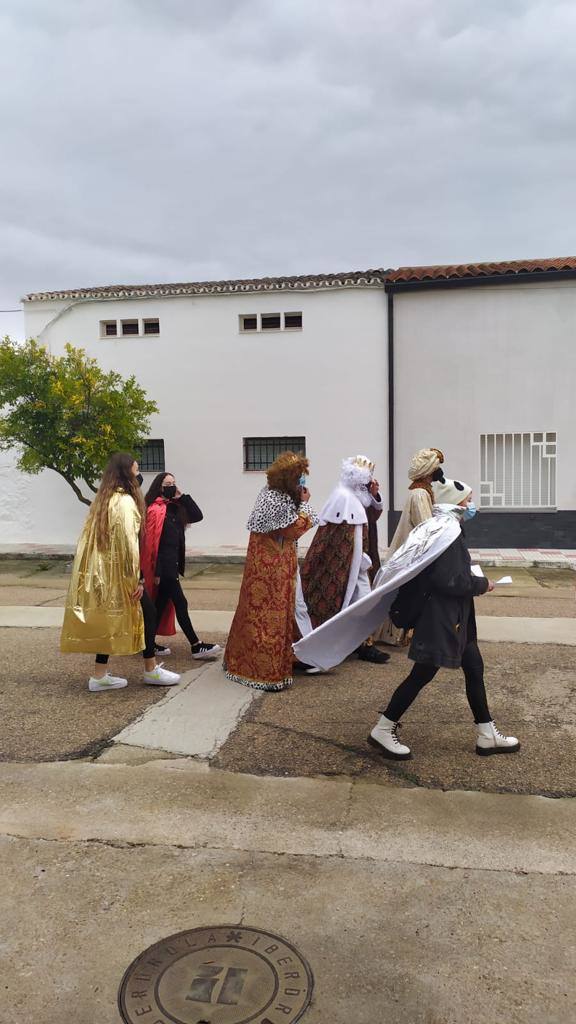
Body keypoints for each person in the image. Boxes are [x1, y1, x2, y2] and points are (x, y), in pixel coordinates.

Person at [368, 479, 520, 760]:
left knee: (474, 667)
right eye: (468, 500)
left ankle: (487, 734)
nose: (471, 505)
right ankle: (383, 728)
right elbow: (448, 580)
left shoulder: (441, 526)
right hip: (442, 618)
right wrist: (481, 584)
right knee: (422, 674)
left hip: (453, 617)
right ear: (456, 502)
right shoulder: (448, 531)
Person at [61, 453, 181, 691]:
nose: (139, 476)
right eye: (136, 471)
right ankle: (150, 670)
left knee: (110, 619)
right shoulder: (125, 502)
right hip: (120, 574)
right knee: (149, 613)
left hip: (104, 573)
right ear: (127, 474)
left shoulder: (104, 500)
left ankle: (100, 675)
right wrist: (137, 579)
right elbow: (127, 545)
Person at [224, 451, 318, 691]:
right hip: (272, 571)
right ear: (288, 478)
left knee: (276, 612)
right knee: (269, 619)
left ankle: (297, 656)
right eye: (298, 476)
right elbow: (292, 530)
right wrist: (305, 505)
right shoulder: (275, 498)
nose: (301, 481)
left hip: (273, 566)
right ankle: (265, 673)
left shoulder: (274, 494)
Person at [300, 456, 389, 663]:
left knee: (363, 601)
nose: (370, 483)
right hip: (342, 566)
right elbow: (338, 538)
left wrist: (374, 495)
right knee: (346, 603)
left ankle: (364, 645)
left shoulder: (358, 496)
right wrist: (355, 558)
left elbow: (369, 518)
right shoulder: (343, 497)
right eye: (368, 481)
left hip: (358, 564)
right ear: (358, 480)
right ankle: (344, 645)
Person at [142, 472, 222, 660]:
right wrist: (157, 570)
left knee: (158, 606)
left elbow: (197, 515)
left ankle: (147, 644)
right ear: (159, 487)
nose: (171, 486)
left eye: (174, 483)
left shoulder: (175, 507)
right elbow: (152, 543)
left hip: (173, 564)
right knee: (180, 603)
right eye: (167, 483)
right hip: (164, 567)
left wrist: (182, 496)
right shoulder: (154, 510)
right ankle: (196, 645)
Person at [374, 446, 445, 646]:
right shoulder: (420, 494)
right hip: (413, 552)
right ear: (429, 471)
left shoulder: (421, 491)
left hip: (414, 550)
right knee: (408, 591)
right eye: (436, 467)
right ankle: (398, 634)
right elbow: (426, 525)